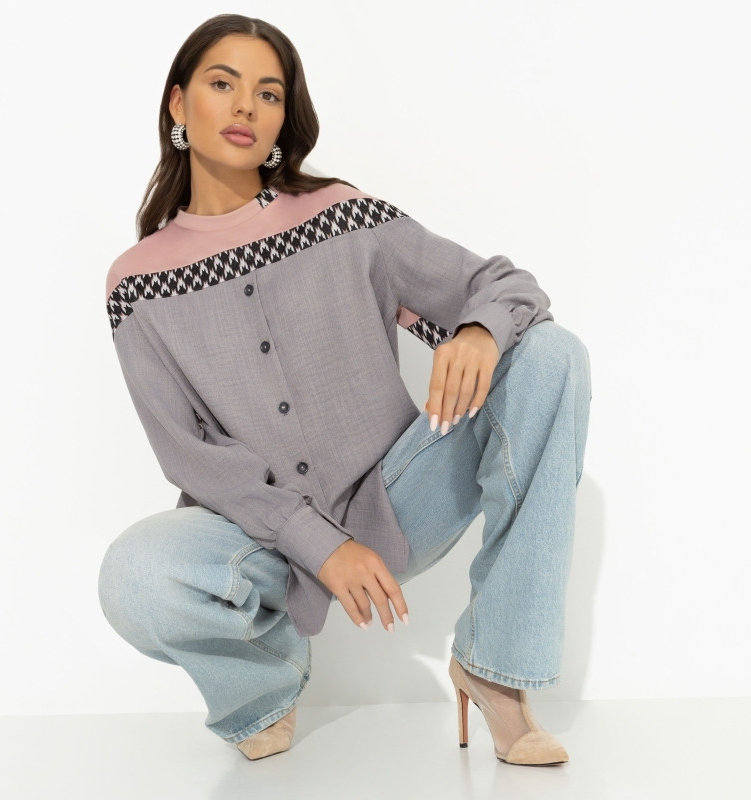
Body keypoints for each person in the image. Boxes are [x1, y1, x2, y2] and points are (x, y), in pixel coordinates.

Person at [98, 13, 591, 767]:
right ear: (177, 103)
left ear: (283, 116)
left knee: (551, 354)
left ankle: (497, 669)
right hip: (256, 535)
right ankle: (261, 686)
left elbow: (505, 286)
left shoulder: (343, 217)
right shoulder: (137, 285)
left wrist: (478, 330)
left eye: (268, 93)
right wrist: (319, 546)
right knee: (133, 575)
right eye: (222, 84)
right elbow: (189, 455)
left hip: (399, 500)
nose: (245, 106)